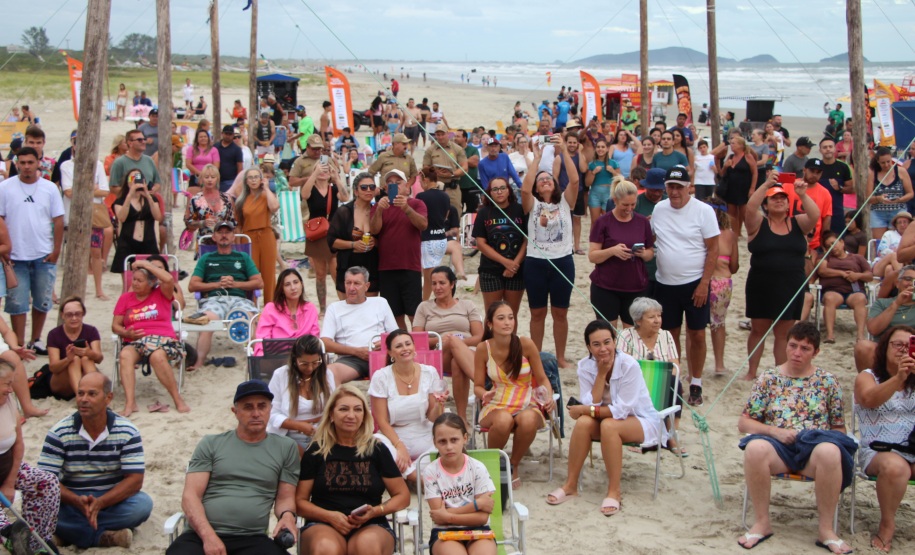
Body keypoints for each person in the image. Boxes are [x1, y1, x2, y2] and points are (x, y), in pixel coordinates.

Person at [736, 322, 853, 554]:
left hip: (814, 452)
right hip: (778, 448)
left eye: (805, 348)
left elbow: (839, 428)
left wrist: (824, 441)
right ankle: (762, 523)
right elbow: (744, 423)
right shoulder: (769, 378)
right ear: (786, 346)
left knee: (831, 450)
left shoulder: (827, 381)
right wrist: (775, 431)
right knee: (755, 448)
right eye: (793, 346)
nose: (797, 353)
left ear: (816, 352)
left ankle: (826, 530)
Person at [546, 320, 667, 514]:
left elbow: (620, 411)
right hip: (606, 421)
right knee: (585, 423)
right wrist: (601, 375)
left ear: (614, 342)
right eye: (596, 344)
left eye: (607, 342)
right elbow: (590, 402)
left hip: (641, 420)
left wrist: (585, 410)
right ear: (588, 347)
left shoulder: (629, 365)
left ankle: (614, 490)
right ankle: (570, 485)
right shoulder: (586, 366)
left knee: (608, 424)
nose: (603, 349)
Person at [168, 380, 299, 555]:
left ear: (270, 409)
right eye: (247, 407)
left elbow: (285, 498)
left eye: (262, 406)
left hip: (252, 538)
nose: (256, 413)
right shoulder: (211, 443)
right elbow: (190, 496)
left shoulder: (286, 447)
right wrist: (208, 537)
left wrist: (287, 516)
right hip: (200, 535)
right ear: (235, 412)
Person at [38, 373, 153, 549]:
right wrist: (77, 501)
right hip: (71, 500)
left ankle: (68, 534)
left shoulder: (127, 431)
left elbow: (135, 480)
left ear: (108, 398)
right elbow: (46, 481)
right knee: (37, 502)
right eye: (80, 393)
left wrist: (101, 503)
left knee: (142, 505)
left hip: (110, 500)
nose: (83, 399)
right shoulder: (59, 432)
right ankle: (101, 537)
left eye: (92, 394)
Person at [295, 384, 411, 555]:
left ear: (364, 416)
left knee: (367, 546)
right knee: (326, 547)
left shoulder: (376, 449)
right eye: (343, 409)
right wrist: (329, 516)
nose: (351, 415)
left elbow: (403, 496)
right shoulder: (317, 451)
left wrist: (376, 511)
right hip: (323, 523)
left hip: (371, 523)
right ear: (332, 415)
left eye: (358, 409)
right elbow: (299, 502)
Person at [650, 166, 719, 406]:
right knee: (669, 336)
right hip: (665, 283)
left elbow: (714, 249)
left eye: (679, 186)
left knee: (697, 334)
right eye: (670, 186)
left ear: (690, 186)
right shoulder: (659, 209)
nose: (674, 191)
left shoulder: (704, 211)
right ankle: (674, 380)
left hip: (694, 283)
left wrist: (704, 283)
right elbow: (651, 238)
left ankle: (696, 382)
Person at [742, 173, 818, 381]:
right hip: (761, 282)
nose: (778, 200)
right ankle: (751, 372)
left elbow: (815, 215)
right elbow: (750, 207)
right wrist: (766, 184)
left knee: (784, 332)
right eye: (773, 198)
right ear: (765, 204)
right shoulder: (758, 222)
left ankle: (780, 372)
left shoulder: (798, 223)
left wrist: (802, 194)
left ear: (788, 204)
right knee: (758, 330)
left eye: (782, 198)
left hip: (791, 283)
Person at [474, 302, 556, 489]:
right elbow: (477, 386)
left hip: (527, 400)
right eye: (501, 318)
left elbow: (543, 379)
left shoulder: (525, 344)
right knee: (503, 420)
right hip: (497, 402)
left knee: (528, 420)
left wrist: (549, 397)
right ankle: (492, 462)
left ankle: (513, 465)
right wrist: (485, 393)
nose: (507, 322)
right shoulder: (483, 348)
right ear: (490, 324)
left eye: (511, 317)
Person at [854, 325, 915, 553]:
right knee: (895, 466)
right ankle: (887, 524)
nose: (902, 349)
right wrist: (899, 376)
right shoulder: (867, 377)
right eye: (897, 344)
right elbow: (869, 399)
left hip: (912, 448)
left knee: (900, 465)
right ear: (883, 349)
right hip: (878, 452)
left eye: (909, 345)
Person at [521, 136, 579, 369]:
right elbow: (525, 188)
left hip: (563, 262)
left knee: (560, 313)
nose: (545, 180)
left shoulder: (565, 202)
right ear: (537, 186)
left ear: (555, 184)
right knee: (537, 314)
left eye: (549, 178)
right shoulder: (532, 204)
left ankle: (561, 357)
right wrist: (536, 159)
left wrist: (564, 150)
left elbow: (574, 181)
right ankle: (536, 354)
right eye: (541, 179)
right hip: (535, 263)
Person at [0, 147, 64, 356]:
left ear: (38, 163)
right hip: (14, 256)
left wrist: (56, 251)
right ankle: (18, 343)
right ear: (16, 163)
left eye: (30, 162)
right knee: (16, 302)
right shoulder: (5, 187)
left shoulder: (49, 188)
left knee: (42, 300)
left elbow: (58, 221)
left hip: (43, 254)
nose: (26, 166)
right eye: (22, 162)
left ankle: (35, 340)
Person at [112, 258, 188, 416]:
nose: (135, 283)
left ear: (152, 282)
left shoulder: (161, 293)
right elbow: (115, 325)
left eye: (140, 280)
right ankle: (130, 403)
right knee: (125, 354)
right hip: (136, 341)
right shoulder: (125, 298)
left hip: (163, 339)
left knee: (157, 356)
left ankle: (177, 399)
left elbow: (168, 279)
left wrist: (146, 265)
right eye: (133, 279)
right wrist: (126, 333)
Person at [369, 330, 446, 481]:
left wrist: (439, 404)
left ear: (414, 347)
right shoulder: (381, 377)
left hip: (424, 435)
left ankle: (405, 471)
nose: (405, 348)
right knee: (375, 444)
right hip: (394, 436)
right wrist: (399, 446)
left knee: (449, 442)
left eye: (408, 344)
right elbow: (382, 422)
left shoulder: (429, 372)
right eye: (398, 346)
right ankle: (417, 477)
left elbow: (432, 417)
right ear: (391, 353)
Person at [0, 360, 60, 553]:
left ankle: (35, 543)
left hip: (6, 468)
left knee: (47, 482)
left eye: (11, 383)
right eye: (6, 384)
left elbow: (18, 444)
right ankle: (8, 535)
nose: (11, 390)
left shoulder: (9, 403)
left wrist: (9, 483)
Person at [187, 222, 263, 370]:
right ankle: (199, 363)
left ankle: (256, 361)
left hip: (239, 299)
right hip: (214, 299)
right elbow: (192, 286)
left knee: (250, 319)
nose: (224, 235)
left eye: (227, 232)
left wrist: (234, 284)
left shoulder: (243, 257)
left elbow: (259, 283)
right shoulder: (206, 258)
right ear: (214, 237)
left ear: (233, 237)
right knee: (206, 322)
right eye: (220, 232)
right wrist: (217, 285)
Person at [412, 266, 483, 424]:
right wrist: (442, 340)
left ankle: (462, 418)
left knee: (457, 362)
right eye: (434, 283)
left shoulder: (467, 305)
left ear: (452, 284)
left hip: (467, 352)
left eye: (442, 283)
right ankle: (484, 386)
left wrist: (457, 343)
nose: (437, 287)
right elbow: (416, 340)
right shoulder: (424, 307)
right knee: (452, 343)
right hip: (439, 355)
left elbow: (479, 337)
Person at [421, 413, 497, 555]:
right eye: (443, 441)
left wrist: (449, 515)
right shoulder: (431, 472)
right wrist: (476, 505)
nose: (449, 446)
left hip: (479, 530)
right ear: (435, 443)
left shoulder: (477, 468)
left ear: (465, 439)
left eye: (454, 440)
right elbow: (439, 519)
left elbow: (482, 518)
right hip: (444, 533)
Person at [588, 176, 654, 328]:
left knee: (631, 335)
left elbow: (650, 252)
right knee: (608, 331)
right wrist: (612, 251)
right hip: (606, 286)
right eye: (625, 205)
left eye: (633, 204)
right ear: (615, 201)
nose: (629, 209)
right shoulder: (603, 222)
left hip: (635, 286)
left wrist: (642, 253)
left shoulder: (642, 221)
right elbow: (593, 256)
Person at [371, 169, 429, 329]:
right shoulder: (378, 206)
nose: (394, 185)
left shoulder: (416, 203)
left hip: (410, 266)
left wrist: (407, 209)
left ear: (406, 187)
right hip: (386, 267)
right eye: (390, 183)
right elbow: (374, 230)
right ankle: (402, 345)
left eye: (398, 182)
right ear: (384, 187)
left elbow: (423, 225)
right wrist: (379, 211)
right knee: (394, 315)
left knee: (414, 314)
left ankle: (418, 347)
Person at [322, 267, 399, 384]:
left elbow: (397, 335)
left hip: (381, 356)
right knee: (328, 374)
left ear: (367, 286)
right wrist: (356, 352)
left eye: (357, 283)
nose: (352, 288)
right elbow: (325, 343)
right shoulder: (334, 308)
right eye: (348, 283)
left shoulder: (380, 302)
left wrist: (385, 342)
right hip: (350, 359)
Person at [265, 335, 335, 455]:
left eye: (315, 362)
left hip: (323, 434)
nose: (310, 368)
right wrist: (299, 426)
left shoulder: (326, 375)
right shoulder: (281, 375)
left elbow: (334, 407)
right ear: (294, 359)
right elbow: (271, 413)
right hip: (288, 436)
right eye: (304, 363)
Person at [472, 177, 528, 321]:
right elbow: (481, 244)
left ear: (509, 190)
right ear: (489, 193)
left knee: (511, 315)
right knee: (492, 315)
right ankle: (490, 344)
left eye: (503, 188)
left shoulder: (520, 210)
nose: (499, 192)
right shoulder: (484, 212)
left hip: (516, 269)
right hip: (490, 270)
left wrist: (513, 264)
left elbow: (526, 241)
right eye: (494, 189)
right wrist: (505, 262)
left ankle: (510, 344)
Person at [328, 173, 380, 299]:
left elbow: (385, 240)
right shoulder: (344, 211)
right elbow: (331, 240)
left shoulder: (377, 212)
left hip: (371, 266)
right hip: (348, 265)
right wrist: (353, 244)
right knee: (348, 311)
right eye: (364, 187)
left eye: (372, 187)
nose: (368, 190)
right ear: (356, 191)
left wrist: (375, 242)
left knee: (369, 312)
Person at [858, 265, 915, 371]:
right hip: (884, 349)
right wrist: (897, 303)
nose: (912, 284)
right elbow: (873, 329)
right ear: (897, 283)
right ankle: (871, 384)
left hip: (912, 350)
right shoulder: (883, 303)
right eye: (908, 279)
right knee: (863, 346)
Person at [818, 232, 872, 343]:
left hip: (854, 291)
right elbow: (822, 271)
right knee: (830, 298)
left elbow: (870, 276)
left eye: (834, 243)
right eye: (828, 246)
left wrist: (858, 275)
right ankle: (830, 335)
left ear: (842, 242)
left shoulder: (857, 258)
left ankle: (861, 335)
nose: (832, 247)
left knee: (860, 299)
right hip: (833, 291)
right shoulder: (825, 257)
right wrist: (842, 273)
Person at [236, 167, 280, 302]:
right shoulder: (241, 200)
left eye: (256, 177)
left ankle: (270, 308)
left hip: (266, 234)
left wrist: (266, 188)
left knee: (269, 275)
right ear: (246, 181)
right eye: (250, 177)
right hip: (248, 238)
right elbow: (238, 226)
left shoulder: (266, 195)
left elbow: (274, 207)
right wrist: (238, 247)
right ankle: (252, 307)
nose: (254, 180)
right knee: (251, 275)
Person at [46, 297, 102, 400]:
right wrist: (68, 359)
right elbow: (53, 368)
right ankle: (81, 398)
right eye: (69, 315)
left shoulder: (91, 331)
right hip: (62, 381)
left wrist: (89, 353)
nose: (74, 318)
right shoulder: (54, 334)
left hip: (84, 376)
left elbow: (99, 358)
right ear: (62, 315)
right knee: (74, 359)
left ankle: (94, 394)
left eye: (78, 314)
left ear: (83, 313)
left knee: (86, 358)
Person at [254, 269, 320, 356]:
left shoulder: (310, 308)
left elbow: (314, 339)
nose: (293, 288)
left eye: (296, 282)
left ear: (301, 284)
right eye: (287, 284)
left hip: (303, 358)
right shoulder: (271, 308)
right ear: (282, 289)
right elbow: (263, 340)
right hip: (275, 356)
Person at [111, 170, 162, 275]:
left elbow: (158, 217)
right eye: (131, 178)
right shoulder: (121, 201)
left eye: (138, 178)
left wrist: (147, 195)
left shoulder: (151, 199)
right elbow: (121, 217)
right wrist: (129, 195)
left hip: (148, 242)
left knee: (150, 278)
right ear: (127, 181)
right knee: (128, 281)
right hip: (127, 243)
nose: (135, 181)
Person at [867, 146, 914, 241]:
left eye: (889, 161)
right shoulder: (873, 173)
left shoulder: (901, 171)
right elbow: (868, 198)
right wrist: (879, 198)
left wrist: (899, 200)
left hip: (898, 211)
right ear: (877, 161)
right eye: (883, 163)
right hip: (878, 212)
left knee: (897, 241)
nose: (886, 165)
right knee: (879, 242)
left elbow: (910, 193)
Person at [184, 164, 236, 244]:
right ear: (202, 179)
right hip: (204, 241)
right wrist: (202, 223)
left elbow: (233, 222)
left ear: (217, 179)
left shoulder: (227, 198)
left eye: (213, 177)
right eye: (206, 177)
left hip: (224, 242)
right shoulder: (196, 199)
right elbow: (188, 223)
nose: (209, 180)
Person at [720, 135, 758, 237]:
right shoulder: (730, 157)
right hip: (731, 189)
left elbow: (755, 173)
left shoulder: (748, 156)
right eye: (730, 143)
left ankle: (752, 233)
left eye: (733, 143)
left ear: (740, 145)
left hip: (744, 188)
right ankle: (736, 235)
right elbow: (722, 174)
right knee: (732, 214)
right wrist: (726, 166)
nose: (731, 145)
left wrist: (752, 188)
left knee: (744, 214)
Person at [423, 127, 468, 210]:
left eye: (443, 134)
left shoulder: (457, 149)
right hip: (435, 188)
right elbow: (425, 168)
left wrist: (452, 174)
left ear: (448, 133)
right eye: (438, 135)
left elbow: (464, 168)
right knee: (436, 214)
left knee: (455, 213)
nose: (440, 137)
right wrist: (434, 171)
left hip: (453, 188)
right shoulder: (430, 150)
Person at [818, 138, 855, 235]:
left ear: (835, 149)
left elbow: (851, 189)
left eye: (830, 146)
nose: (828, 149)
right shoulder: (816, 167)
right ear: (820, 150)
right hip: (818, 211)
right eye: (825, 147)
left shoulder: (843, 167)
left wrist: (840, 188)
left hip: (837, 211)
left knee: (837, 239)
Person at [586, 139, 621, 222]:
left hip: (609, 193)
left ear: (607, 149)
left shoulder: (613, 163)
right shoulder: (591, 164)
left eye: (603, 147)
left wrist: (613, 171)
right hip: (595, 193)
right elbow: (587, 183)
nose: (600, 149)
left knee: (608, 221)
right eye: (598, 147)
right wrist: (594, 172)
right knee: (595, 222)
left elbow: (620, 180)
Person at [186, 127, 220, 197]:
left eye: (205, 136)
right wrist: (200, 174)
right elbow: (188, 164)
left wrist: (205, 175)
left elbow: (216, 165)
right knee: (193, 198)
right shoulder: (191, 148)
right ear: (197, 139)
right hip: (195, 177)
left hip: (210, 178)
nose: (203, 138)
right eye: (201, 137)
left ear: (208, 138)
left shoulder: (214, 150)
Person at [214, 125, 244, 192]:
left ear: (233, 135)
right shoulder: (215, 147)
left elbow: (240, 166)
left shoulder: (237, 149)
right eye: (226, 133)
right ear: (222, 133)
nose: (228, 136)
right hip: (215, 180)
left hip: (230, 181)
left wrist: (237, 182)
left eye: (230, 134)